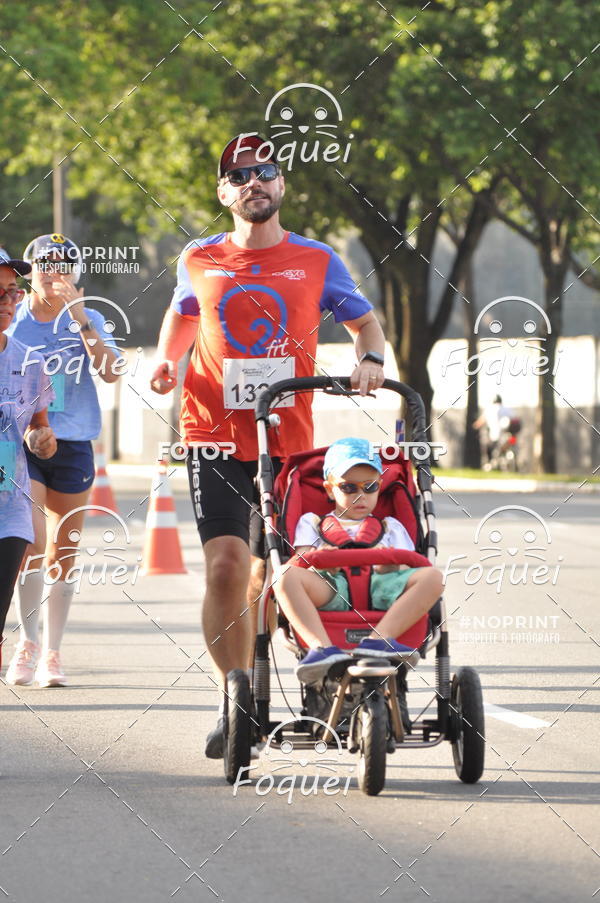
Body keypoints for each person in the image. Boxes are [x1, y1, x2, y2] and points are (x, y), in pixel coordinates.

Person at [150, 133, 387, 756]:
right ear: (223, 192)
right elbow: (184, 313)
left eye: (265, 170)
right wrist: (167, 360)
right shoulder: (200, 257)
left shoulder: (317, 259)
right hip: (211, 433)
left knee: (271, 574)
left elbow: (365, 323)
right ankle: (236, 703)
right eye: (239, 175)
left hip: (286, 442)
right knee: (226, 568)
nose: (253, 181)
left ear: (281, 184)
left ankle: (288, 672)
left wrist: (370, 360)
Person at [5, 233, 123, 688]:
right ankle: (27, 642)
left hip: (74, 442)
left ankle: (52, 653)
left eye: (63, 264)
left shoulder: (87, 316)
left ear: (75, 273)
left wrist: (80, 318)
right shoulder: (14, 317)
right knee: (31, 542)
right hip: (23, 442)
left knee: (65, 550)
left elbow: (110, 372)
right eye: (45, 263)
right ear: (30, 271)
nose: (53, 272)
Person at [274, 437, 443, 684]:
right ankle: (321, 648)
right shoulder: (312, 523)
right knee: (282, 575)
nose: (360, 496)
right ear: (329, 489)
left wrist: (391, 565)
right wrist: (322, 559)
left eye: (369, 487)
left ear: (380, 486)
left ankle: (378, 641)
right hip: (332, 587)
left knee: (433, 577)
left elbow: (409, 565)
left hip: (383, 586)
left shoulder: (390, 526)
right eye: (348, 488)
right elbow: (300, 561)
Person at [0, 249, 56, 672]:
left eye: (12, 292)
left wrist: (41, 439)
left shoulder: (30, 361)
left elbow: (38, 425)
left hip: (9, 507)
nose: (8, 302)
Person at [473, 394, 513, 469]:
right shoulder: (507, 409)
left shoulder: (490, 409)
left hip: (494, 435)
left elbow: (480, 422)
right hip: (508, 436)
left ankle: (489, 464)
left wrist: (474, 426)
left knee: (488, 448)